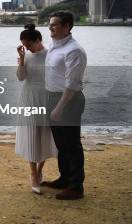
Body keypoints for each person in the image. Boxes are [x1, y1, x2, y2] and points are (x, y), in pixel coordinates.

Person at [41, 11, 87, 200]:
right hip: (53, 97)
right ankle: (65, 178)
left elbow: (72, 83)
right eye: (50, 24)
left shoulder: (74, 50)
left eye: (55, 25)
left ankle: (76, 186)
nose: (50, 28)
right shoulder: (54, 45)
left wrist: (59, 107)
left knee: (72, 144)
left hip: (68, 100)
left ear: (67, 26)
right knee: (61, 143)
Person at [15, 24, 57, 195]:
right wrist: (22, 60)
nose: (27, 48)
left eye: (29, 45)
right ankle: (33, 174)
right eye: (24, 46)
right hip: (29, 98)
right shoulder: (27, 57)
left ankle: (40, 170)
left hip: (46, 98)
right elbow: (20, 78)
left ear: (38, 40)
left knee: (46, 135)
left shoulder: (51, 55)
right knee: (32, 134)